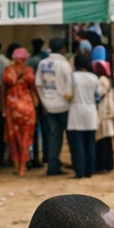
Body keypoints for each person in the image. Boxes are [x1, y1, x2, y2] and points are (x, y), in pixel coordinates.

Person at [35, 36, 72, 174]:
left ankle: (53, 166)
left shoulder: (42, 63)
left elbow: (38, 84)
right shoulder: (64, 64)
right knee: (70, 137)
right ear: (62, 49)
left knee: (53, 136)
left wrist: (43, 101)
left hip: (48, 105)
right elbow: (69, 85)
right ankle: (74, 163)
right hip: (64, 105)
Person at [0, 47, 36, 175]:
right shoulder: (29, 71)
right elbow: (33, 89)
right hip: (27, 107)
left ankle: (16, 165)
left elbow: (3, 90)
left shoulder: (8, 71)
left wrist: (3, 107)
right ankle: (23, 167)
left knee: (14, 137)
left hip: (13, 108)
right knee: (26, 137)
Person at [66, 48, 101, 179]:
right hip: (90, 110)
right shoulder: (94, 77)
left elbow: (68, 93)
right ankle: (89, 170)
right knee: (90, 142)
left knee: (78, 144)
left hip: (76, 110)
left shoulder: (73, 77)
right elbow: (100, 93)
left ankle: (79, 170)